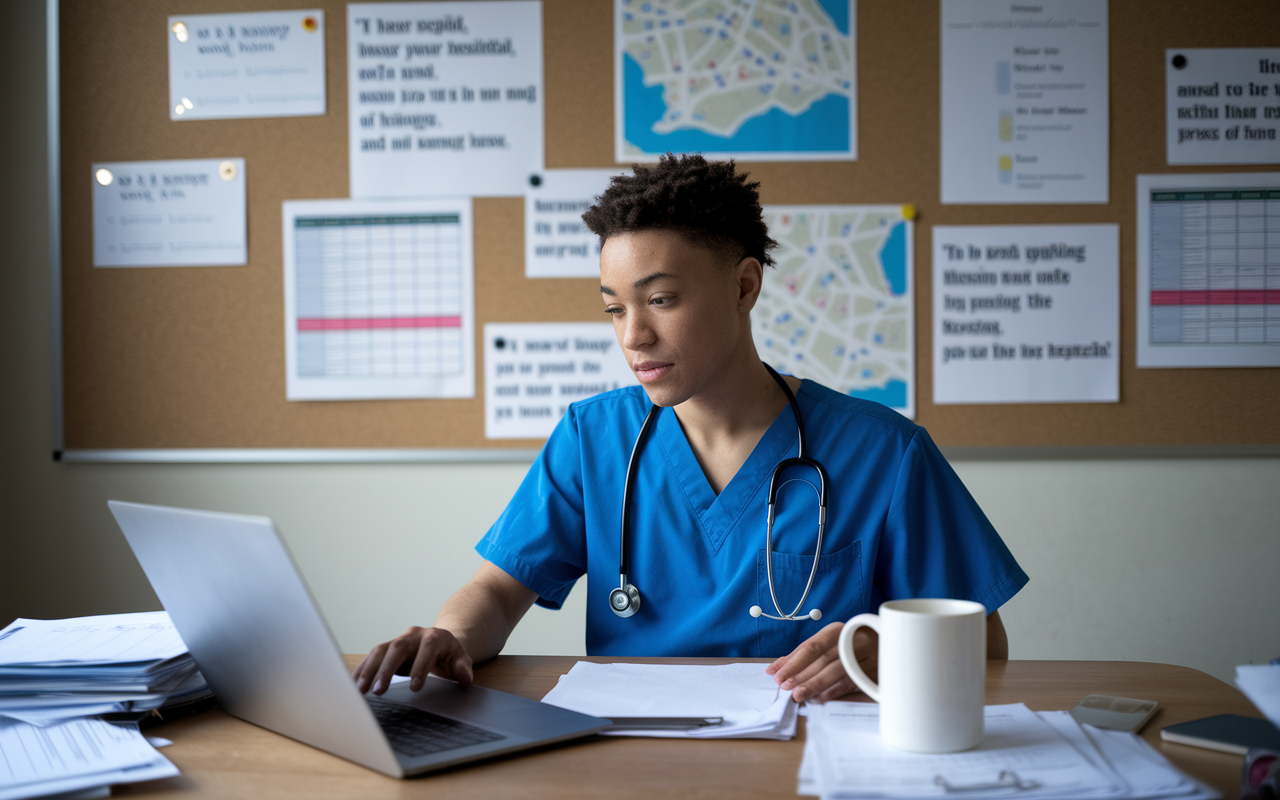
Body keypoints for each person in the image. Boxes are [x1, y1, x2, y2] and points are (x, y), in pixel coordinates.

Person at [354, 155, 1028, 705]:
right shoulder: (594, 438)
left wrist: (896, 648)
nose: (634, 335)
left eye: (661, 300)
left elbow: (987, 643)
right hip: (626, 757)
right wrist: (448, 635)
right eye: (615, 308)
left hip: (810, 755)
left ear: (743, 287)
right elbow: (500, 590)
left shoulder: (885, 451)